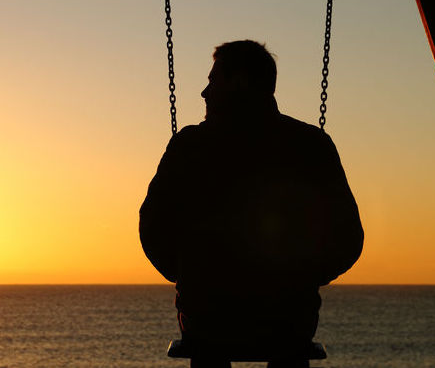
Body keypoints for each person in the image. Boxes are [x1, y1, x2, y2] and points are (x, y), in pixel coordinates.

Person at [139, 40, 363, 368]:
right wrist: (304, 278)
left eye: (213, 81)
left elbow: (152, 227)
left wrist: (188, 275)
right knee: (290, 342)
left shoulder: (189, 147)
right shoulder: (310, 145)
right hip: (289, 319)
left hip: (208, 319)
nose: (204, 92)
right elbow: (348, 239)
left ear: (239, 81)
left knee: (208, 341)